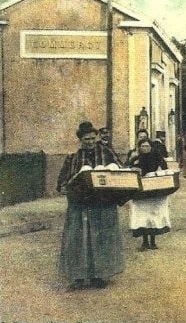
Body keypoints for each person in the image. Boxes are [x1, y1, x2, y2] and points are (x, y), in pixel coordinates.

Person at [56, 121, 124, 290]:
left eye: (93, 138)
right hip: (80, 205)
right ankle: (78, 277)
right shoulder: (73, 158)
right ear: (80, 139)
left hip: (103, 204)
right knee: (78, 239)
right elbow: (62, 182)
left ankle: (100, 276)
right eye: (87, 139)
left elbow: (121, 170)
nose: (90, 142)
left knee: (101, 239)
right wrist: (69, 185)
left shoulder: (107, 152)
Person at [126, 138, 171, 250]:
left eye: (147, 146)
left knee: (154, 214)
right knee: (143, 216)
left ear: (151, 147)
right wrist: (133, 169)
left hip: (154, 189)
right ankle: (145, 241)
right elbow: (128, 168)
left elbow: (165, 169)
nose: (145, 148)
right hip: (141, 192)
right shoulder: (136, 158)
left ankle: (153, 241)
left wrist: (158, 173)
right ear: (139, 148)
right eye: (142, 146)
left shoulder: (157, 157)